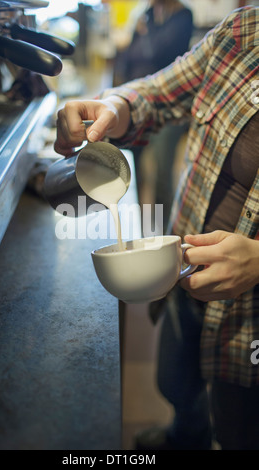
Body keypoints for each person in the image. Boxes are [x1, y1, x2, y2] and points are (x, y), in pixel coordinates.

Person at [54, 5, 259, 450]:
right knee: (176, 382)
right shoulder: (245, 29)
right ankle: (184, 435)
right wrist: (113, 106)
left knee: (241, 423)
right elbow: (158, 93)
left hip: (251, 317)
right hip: (183, 271)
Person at [113, 0, 193, 228]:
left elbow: (155, 51)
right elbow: (129, 55)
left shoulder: (182, 16)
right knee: (133, 171)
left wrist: (143, 32)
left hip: (169, 107)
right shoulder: (146, 14)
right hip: (137, 104)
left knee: (161, 174)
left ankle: (165, 233)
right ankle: (139, 227)